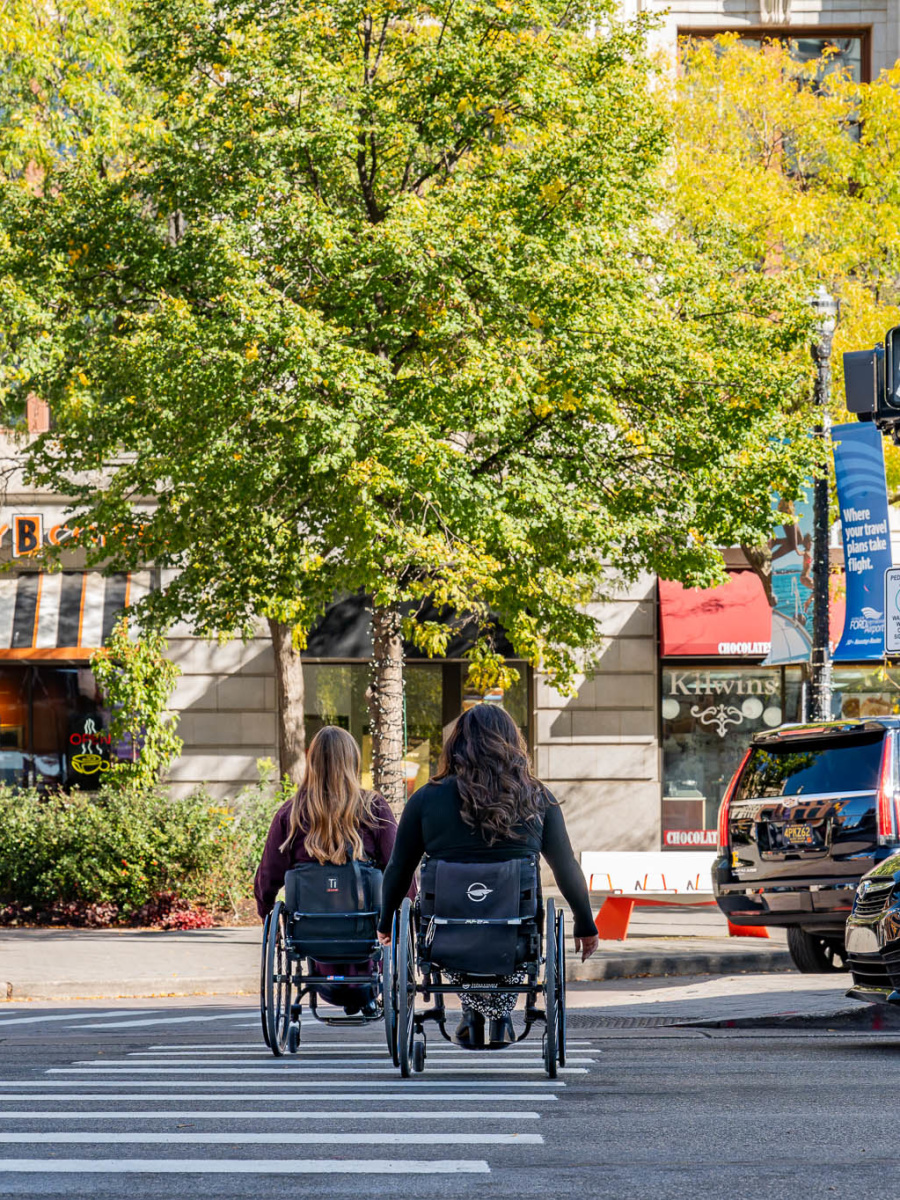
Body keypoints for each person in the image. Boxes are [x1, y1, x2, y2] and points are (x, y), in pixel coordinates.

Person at [377, 703, 599, 1049]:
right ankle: (495, 1014)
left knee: (451, 910)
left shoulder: (426, 799)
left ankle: (475, 1011)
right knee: (506, 919)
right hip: (512, 933)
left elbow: (399, 868)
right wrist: (585, 924)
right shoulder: (537, 797)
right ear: (512, 742)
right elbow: (566, 866)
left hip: (445, 933)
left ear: (456, 745)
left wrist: (385, 919)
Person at [254, 725, 401, 1017]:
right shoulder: (373, 808)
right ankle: (365, 989)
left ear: (313, 763)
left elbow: (268, 876)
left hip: (312, 934)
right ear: (352, 762)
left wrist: (266, 911)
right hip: (365, 931)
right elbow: (397, 868)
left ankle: (342, 988)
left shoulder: (292, 813)